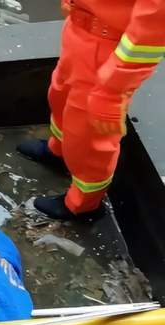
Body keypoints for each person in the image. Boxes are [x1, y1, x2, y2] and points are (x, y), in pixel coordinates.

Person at [17, 0, 165, 220]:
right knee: (60, 97)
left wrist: (112, 91)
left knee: (89, 135)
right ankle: (59, 151)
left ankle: (83, 204)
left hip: (110, 53)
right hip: (80, 29)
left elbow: (151, 33)